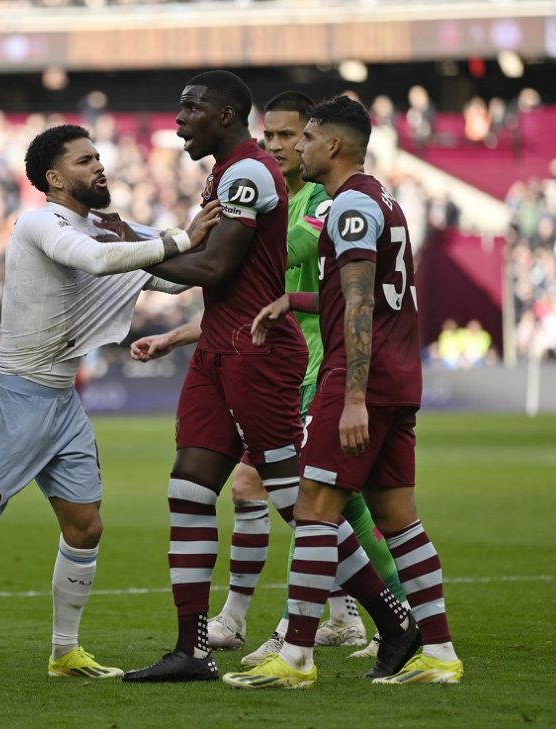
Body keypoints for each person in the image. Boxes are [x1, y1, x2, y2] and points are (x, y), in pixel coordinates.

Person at [0, 123, 217, 681]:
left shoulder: (108, 229)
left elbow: (164, 278)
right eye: (85, 161)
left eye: (99, 157)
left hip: (61, 400)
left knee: (85, 526)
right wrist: (181, 237)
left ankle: (64, 651)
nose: (100, 167)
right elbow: (95, 260)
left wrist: (203, 238)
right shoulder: (41, 223)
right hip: (15, 395)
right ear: (56, 178)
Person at [122, 72, 415, 684]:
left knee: (294, 501)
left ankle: (393, 620)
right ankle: (192, 649)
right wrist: (127, 251)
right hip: (218, 352)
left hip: (257, 355)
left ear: (225, 114)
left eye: (190, 107)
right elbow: (191, 271)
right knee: (190, 490)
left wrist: (124, 252)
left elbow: (213, 263)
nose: (178, 119)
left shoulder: (248, 173)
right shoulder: (224, 173)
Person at [223, 95, 463, 688]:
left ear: (333, 146)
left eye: (304, 138)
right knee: (398, 518)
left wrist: (352, 395)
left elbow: (359, 303)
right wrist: (295, 301)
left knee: (314, 508)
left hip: (360, 377)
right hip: (399, 377)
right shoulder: (381, 198)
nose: (296, 148)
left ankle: (297, 656)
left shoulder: (349, 207)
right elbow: (367, 292)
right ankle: (439, 652)